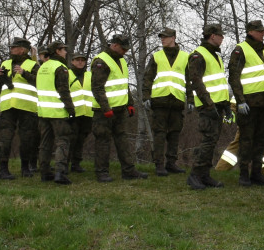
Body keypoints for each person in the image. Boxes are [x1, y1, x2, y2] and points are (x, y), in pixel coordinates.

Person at [90, 35, 147, 182]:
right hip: (104, 112)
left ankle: (128, 170)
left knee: (122, 140)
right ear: (114, 45)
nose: (125, 52)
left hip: (120, 109)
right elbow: (97, 88)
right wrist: (106, 108)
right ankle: (101, 172)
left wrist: (129, 103)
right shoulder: (101, 61)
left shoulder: (121, 61)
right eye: (123, 48)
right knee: (103, 140)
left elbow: (123, 84)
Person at [228, 19, 264, 186]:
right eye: (260, 31)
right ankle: (243, 174)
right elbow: (233, 77)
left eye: (263, 31)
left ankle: (257, 173)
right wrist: (240, 101)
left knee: (260, 140)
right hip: (248, 104)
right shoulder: (241, 50)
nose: (263, 33)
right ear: (251, 32)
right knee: (246, 140)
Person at [143, 27, 192, 176]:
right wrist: (146, 97)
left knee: (175, 134)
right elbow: (147, 78)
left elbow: (189, 80)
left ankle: (171, 163)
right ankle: (159, 165)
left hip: (177, 101)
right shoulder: (156, 56)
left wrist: (190, 99)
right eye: (161, 37)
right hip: (159, 101)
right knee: (159, 134)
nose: (162, 39)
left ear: (174, 38)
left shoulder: (185, 57)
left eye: (165, 36)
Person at [186, 23, 229, 189]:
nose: (222, 37)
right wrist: (209, 104)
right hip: (207, 106)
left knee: (213, 141)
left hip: (217, 106)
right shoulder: (199, 55)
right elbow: (196, 82)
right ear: (212, 36)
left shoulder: (216, 56)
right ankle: (195, 175)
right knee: (208, 140)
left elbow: (218, 82)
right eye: (220, 35)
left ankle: (205, 175)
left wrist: (224, 105)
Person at [0, 37, 40, 179]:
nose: (11, 49)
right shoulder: (5, 63)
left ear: (23, 49)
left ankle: (25, 168)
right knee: (5, 139)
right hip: (8, 107)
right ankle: (3, 170)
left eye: (14, 47)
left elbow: (41, 82)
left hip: (27, 108)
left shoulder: (33, 65)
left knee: (27, 139)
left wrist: (24, 73)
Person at [36, 41, 76, 184]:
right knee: (62, 142)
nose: (66, 52)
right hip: (58, 111)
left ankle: (45, 172)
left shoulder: (42, 67)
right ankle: (60, 173)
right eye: (63, 50)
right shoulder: (60, 68)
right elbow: (63, 91)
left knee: (45, 143)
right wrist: (71, 110)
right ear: (57, 51)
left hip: (43, 111)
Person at [68, 51, 93, 173]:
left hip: (87, 113)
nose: (80, 62)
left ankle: (76, 164)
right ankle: (65, 163)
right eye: (77, 59)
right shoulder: (67, 74)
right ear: (72, 61)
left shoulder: (90, 75)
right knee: (70, 139)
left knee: (81, 139)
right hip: (72, 113)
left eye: (82, 60)